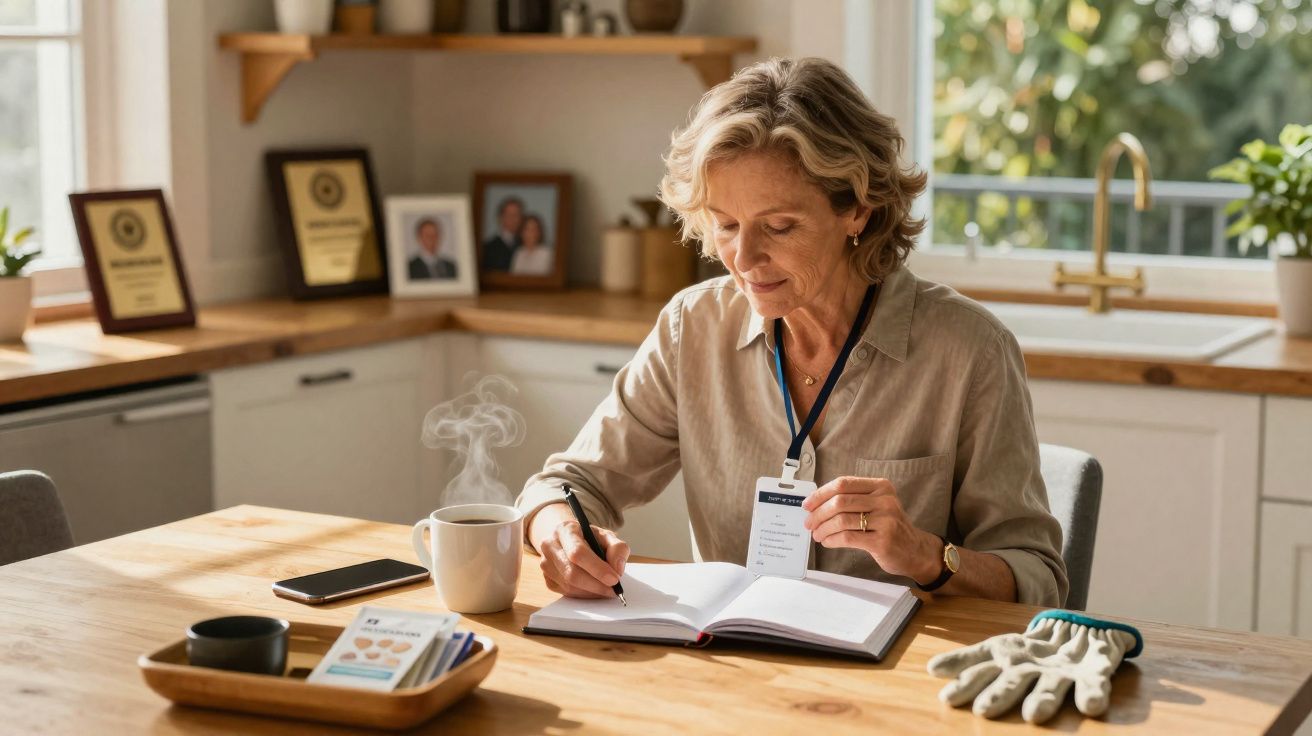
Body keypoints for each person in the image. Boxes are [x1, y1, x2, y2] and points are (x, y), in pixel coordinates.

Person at [516, 57, 1069, 607]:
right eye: (726, 225)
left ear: (858, 208)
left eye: (779, 226)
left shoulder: (970, 351)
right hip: (734, 666)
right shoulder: (693, 329)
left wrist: (925, 554)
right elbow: (562, 486)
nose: (744, 258)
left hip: (902, 677)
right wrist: (560, 533)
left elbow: (1035, 576)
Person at [482, 197, 523, 272]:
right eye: (509, 215)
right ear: (501, 217)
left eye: (516, 215)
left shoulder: (524, 245)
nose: (513, 219)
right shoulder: (488, 248)